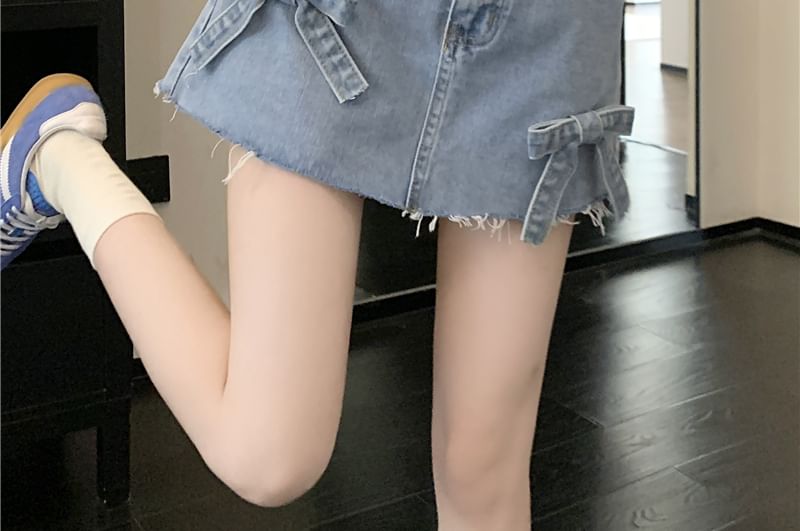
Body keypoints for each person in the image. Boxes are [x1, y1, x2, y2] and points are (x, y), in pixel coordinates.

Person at [0, 1, 633, 528]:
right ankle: (61, 158)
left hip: (547, 31)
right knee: (269, 456)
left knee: (485, 473)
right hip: (343, 16)